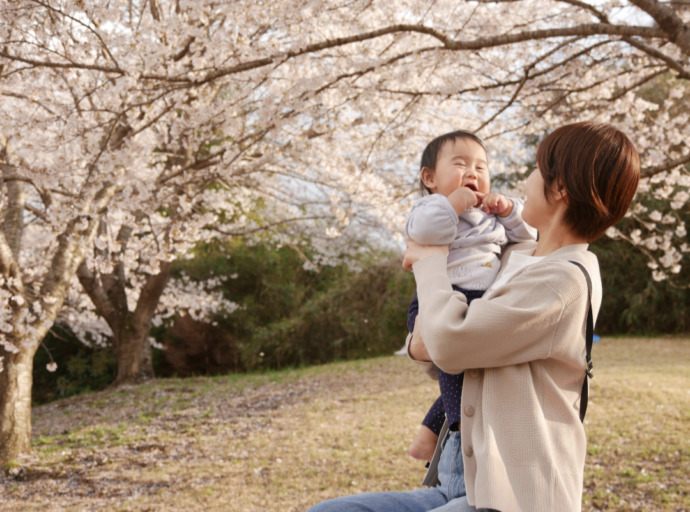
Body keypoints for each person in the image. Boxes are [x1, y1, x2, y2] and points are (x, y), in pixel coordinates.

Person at [307, 121, 640, 512]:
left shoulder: (563, 280)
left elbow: (447, 343)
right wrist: (422, 339)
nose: (525, 180)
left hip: (513, 494)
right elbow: (427, 342)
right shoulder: (518, 255)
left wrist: (430, 258)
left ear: (561, 187)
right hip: (459, 473)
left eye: (536, 169)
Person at [404, 130, 536, 463]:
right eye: (460, 164)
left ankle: (430, 432)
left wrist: (507, 210)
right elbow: (423, 233)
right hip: (442, 296)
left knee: (471, 373)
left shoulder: (493, 213)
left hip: (482, 300)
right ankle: (460, 429)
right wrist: (453, 204)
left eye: (481, 167)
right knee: (455, 365)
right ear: (430, 177)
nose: (472, 173)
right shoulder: (431, 206)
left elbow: (529, 233)